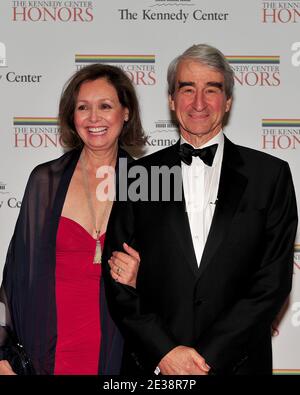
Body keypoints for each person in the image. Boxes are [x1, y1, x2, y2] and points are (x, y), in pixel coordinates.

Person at [102, 44, 298, 375]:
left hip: (238, 364)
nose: (198, 102)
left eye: (212, 90)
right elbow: (118, 282)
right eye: (187, 89)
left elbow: (272, 282)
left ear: (228, 102)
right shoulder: (142, 176)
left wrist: (206, 358)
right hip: (156, 368)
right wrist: (165, 351)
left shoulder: (269, 176)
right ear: (171, 100)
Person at [0, 64, 144, 375]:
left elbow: (177, 282)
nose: (94, 118)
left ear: (126, 112)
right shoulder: (46, 181)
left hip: (121, 357)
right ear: (72, 116)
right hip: (50, 358)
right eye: (83, 107)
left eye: (105, 106)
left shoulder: (149, 183)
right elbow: (14, 277)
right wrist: (2, 354)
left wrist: (141, 279)